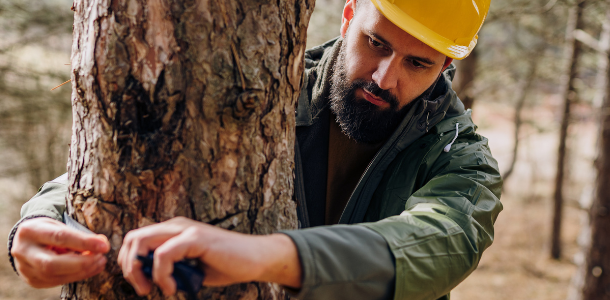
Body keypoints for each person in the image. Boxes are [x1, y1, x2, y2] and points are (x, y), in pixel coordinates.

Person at [7, 0, 503, 299]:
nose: (384, 76)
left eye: (417, 63)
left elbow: (439, 242)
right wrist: (39, 223)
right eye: (375, 42)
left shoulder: (461, 156)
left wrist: (266, 256)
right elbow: (137, 151)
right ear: (350, 12)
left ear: (443, 66)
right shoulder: (266, 89)